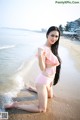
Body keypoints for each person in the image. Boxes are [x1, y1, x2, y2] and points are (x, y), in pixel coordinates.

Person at [5, 26, 61, 113]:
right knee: (42, 109)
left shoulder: (53, 48)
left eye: (56, 36)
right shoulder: (42, 49)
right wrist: (40, 56)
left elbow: (53, 68)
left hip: (49, 80)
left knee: (50, 97)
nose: (54, 38)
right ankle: (16, 105)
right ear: (47, 35)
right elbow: (42, 68)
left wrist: (51, 80)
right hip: (42, 82)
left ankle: (33, 89)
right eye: (52, 35)